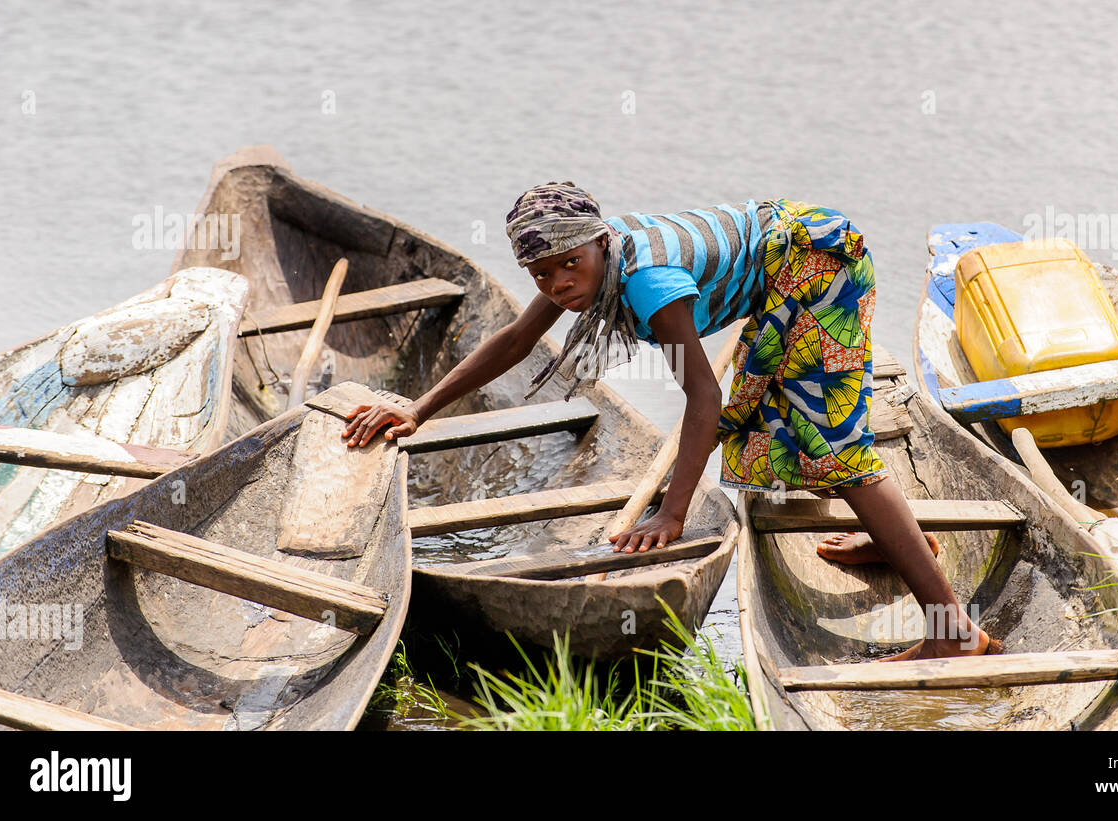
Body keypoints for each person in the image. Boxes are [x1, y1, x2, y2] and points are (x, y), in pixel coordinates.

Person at [342, 182, 998, 660]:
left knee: (827, 441)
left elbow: (702, 399)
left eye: (571, 265)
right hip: (783, 259)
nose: (560, 285)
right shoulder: (586, 265)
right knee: (776, 422)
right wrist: (418, 407)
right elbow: (515, 340)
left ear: (601, 243)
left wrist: (673, 512)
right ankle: (899, 539)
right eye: (543, 274)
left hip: (815, 260)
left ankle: (952, 628)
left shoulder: (648, 284)